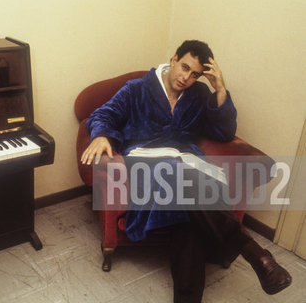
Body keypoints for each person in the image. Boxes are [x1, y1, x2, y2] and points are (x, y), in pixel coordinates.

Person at [80, 40, 292, 302]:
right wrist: (101, 135)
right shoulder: (136, 89)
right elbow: (104, 114)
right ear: (173, 59)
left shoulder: (200, 95)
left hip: (190, 166)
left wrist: (220, 90)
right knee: (185, 185)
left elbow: (223, 133)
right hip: (148, 166)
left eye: (195, 74)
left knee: (190, 217)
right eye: (184, 68)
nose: (186, 78)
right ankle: (256, 253)